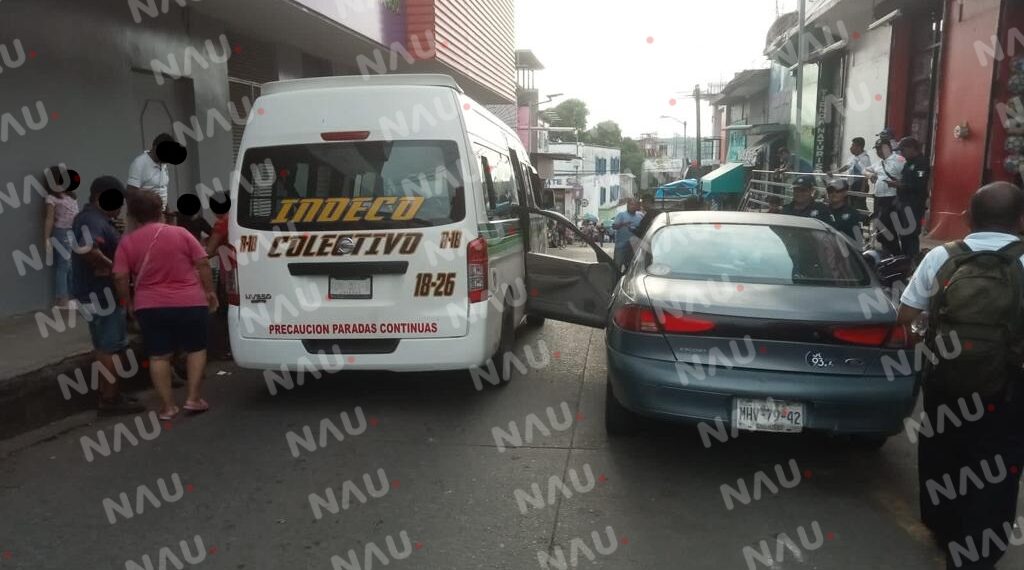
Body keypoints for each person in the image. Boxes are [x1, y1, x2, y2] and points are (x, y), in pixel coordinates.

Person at [897, 182, 1024, 570]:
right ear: (1021, 220)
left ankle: (942, 526)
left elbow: (906, 317)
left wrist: (929, 334)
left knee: (943, 454)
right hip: (1007, 386)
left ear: (969, 217)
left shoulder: (941, 257)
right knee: (996, 466)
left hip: (946, 379)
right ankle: (978, 553)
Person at [112, 191, 219, 421]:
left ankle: (168, 407)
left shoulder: (127, 242)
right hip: (190, 301)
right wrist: (209, 292)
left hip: (150, 306)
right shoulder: (180, 233)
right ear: (160, 210)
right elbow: (202, 263)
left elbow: (120, 277)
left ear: (133, 215)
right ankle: (193, 398)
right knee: (196, 349)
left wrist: (127, 303)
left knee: (159, 356)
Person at [71, 176, 145, 416]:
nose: (120, 207)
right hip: (100, 296)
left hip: (100, 294)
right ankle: (110, 400)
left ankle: (110, 393)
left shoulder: (97, 219)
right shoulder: (91, 220)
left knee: (110, 346)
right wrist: (113, 268)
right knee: (108, 348)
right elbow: (86, 248)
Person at [43, 166, 80, 310]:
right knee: (63, 265)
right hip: (61, 232)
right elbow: (49, 219)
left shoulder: (71, 196)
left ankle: (72, 296)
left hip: (73, 232)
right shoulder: (51, 199)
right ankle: (61, 299)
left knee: (72, 265)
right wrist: (46, 238)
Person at [865, 137, 906, 256]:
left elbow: (906, 176)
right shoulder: (879, 163)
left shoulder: (899, 160)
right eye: (877, 149)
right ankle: (887, 253)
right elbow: (865, 170)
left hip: (891, 199)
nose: (878, 152)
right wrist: (870, 175)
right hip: (879, 199)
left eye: (880, 149)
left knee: (887, 228)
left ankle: (895, 253)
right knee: (880, 229)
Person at [895, 137, 931, 258]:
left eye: (903, 150)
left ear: (911, 148)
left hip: (914, 204)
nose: (901, 153)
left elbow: (919, 185)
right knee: (903, 233)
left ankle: (912, 260)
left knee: (910, 234)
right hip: (903, 203)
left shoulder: (921, 163)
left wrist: (901, 185)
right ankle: (904, 259)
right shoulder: (907, 163)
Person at [127, 133, 174, 213]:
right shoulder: (139, 163)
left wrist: (167, 210)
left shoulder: (163, 164)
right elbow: (131, 193)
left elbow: (162, 188)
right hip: (146, 214)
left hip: (161, 213)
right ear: (155, 148)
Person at [824, 178, 867, 244]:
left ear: (845, 193)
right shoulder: (822, 210)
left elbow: (858, 242)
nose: (834, 193)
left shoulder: (853, 214)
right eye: (830, 191)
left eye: (838, 191)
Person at [612, 198, 645, 270]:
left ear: (637, 206)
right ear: (627, 206)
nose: (633, 206)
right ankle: (616, 280)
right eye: (631, 204)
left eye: (635, 205)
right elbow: (614, 226)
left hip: (634, 247)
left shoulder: (640, 216)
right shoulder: (621, 215)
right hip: (621, 246)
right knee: (617, 266)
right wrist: (623, 224)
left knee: (632, 267)